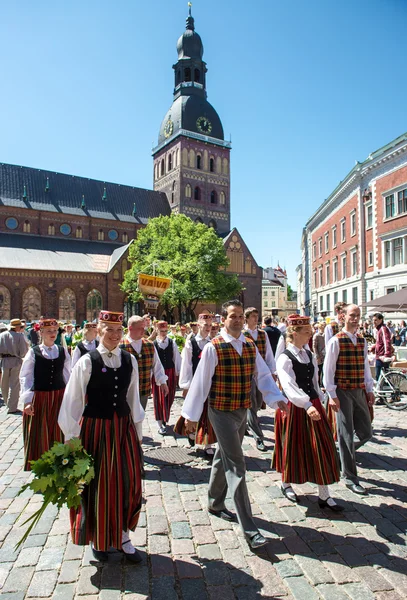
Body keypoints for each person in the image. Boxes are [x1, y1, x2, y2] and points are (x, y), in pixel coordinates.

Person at [181, 300, 288, 550]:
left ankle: (214, 502)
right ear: (224, 319)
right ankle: (250, 529)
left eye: (241, 315)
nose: (238, 319)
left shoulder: (250, 345)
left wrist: (275, 398)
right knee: (237, 465)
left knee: (224, 456)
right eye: (233, 316)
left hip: (241, 409)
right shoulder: (214, 347)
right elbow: (201, 383)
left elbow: (262, 375)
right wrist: (191, 416)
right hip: (220, 411)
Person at [58, 310, 144, 563]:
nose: (115, 335)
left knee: (128, 482)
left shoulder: (129, 360)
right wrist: (71, 437)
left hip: (122, 429)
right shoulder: (87, 361)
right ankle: (99, 538)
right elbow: (72, 400)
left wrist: (136, 434)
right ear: (99, 331)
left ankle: (123, 535)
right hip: (95, 429)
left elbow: (133, 398)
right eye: (109, 330)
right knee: (99, 484)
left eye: (119, 330)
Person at [274, 315, 342, 510]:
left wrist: (320, 399)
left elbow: (314, 381)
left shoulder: (308, 354)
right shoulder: (285, 357)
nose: (310, 334)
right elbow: (288, 385)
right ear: (294, 334)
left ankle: (324, 495)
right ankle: (285, 483)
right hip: (296, 408)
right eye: (306, 332)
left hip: (312, 404)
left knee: (321, 446)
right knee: (293, 446)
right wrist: (306, 404)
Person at [324, 304, 375, 495]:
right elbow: (328, 370)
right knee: (345, 434)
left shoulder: (361, 340)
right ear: (343, 316)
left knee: (366, 432)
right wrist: (332, 395)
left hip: (359, 389)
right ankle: (350, 477)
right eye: (352, 315)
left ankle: (341, 454)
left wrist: (369, 388)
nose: (355, 318)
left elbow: (364, 366)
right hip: (343, 391)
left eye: (358, 315)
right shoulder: (336, 341)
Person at [20, 318, 71, 470]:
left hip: (58, 396)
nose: (52, 334)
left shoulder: (62, 351)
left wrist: (70, 397)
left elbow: (68, 374)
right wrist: (28, 400)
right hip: (40, 397)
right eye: (49, 331)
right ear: (41, 332)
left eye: (55, 331)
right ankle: (42, 466)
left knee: (58, 429)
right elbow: (26, 376)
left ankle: (59, 463)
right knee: (40, 431)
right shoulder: (33, 352)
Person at [176, 311, 216, 454]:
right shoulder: (191, 342)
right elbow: (186, 364)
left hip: (210, 384)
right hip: (194, 383)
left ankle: (208, 443)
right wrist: (186, 385)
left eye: (210, 325)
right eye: (206, 325)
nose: (208, 328)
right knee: (194, 410)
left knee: (208, 412)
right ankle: (191, 432)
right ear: (199, 324)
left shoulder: (213, 342)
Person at [120, 314, 169, 416]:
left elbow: (157, 365)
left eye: (144, 328)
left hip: (143, 390)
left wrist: (163, 382)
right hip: (125, 391)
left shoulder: (149, 344)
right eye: (140, 328)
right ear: (130, 328)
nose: (143, 331)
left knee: (139, 416)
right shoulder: (120, 345)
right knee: (125, 418)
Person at [243, 307, 277, 452]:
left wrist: (272, 371)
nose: (256, 319)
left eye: (257, 316)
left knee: (256, 404)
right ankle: (259, 437)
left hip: (261, 375)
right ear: (246, 318)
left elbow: (268, 353)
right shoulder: (242, 334)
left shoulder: (263, 334)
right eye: (253, 316)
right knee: (251, 406)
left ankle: (244, 424)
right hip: (247, 374)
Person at [151, 321, 181, 434]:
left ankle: (165, 417)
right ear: (157, 331)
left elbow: (176, 358)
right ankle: (160, 422)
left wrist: (178, 373)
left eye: (165, 331)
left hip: (170, 372)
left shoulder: (172, 343)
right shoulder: (153, 344)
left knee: (170, 396)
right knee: (159, 398)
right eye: (161, 331)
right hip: (157, 374)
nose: (163, 333)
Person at [0, 318, 29, 414]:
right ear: (16, 327)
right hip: (15, 361)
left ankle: (7, 403)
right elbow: (24, 351)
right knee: (14, 384)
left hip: (4, 360)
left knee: (4, 384)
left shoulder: (2, 335)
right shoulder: (19, 336)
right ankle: (12, 407)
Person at [372, 313, 393, 380]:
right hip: (380, 355)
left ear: (381, 320)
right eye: (373, 320)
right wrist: (372, 348)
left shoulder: (383, 329)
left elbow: (387, 341)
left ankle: (385, 388)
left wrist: (386, 354)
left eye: (375, 320)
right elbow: (380, 343)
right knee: (383, 377)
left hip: (382, 356)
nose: (373, 322)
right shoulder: (379, 329)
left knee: (379, 377)